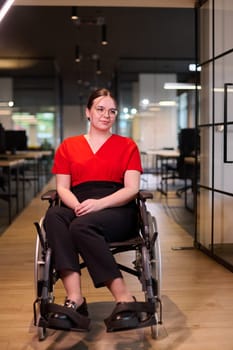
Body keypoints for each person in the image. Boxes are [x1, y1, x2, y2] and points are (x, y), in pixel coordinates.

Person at [44, 88, 154, 333]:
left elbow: (132, 189)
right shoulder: (68, 146)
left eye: (112, 111)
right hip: (79, 203)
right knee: (54, 216)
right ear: (88, 112)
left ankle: (124, 298)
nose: (106, 115)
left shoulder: (127, 146)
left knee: (81, 225)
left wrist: (99, 204)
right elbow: (62, 188)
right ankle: (75, 298)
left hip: (117, 208)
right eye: (100, 109)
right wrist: (78, 206)